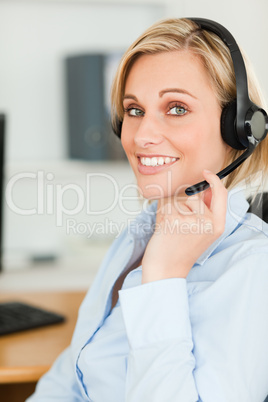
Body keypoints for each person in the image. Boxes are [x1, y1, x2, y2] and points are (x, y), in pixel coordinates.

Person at [27, 17, 268, 401]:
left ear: (238, 127)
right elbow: (76, 371)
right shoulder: (142, 231)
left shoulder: (252, 266)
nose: (142, 136)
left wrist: (163, 277)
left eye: (176, 108)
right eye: (134, 110)